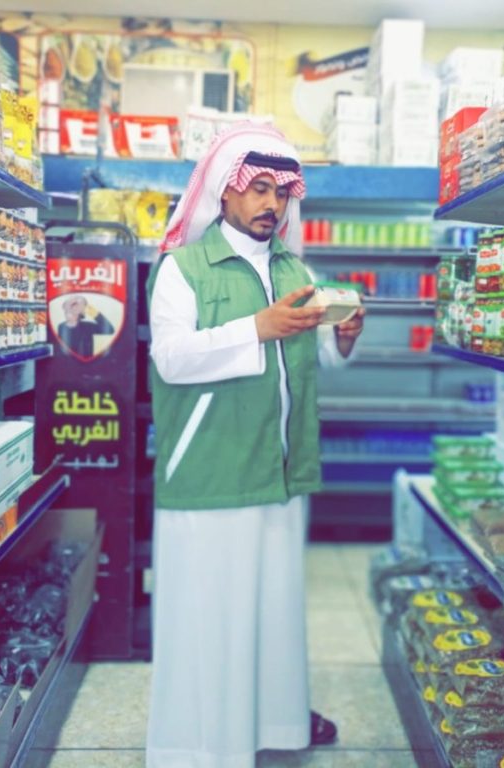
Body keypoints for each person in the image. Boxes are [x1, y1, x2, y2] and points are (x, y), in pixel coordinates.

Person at [145, 123, 365, 768]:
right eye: (258, 188)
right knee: (209, 617)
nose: (271, 203)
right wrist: (257, 327)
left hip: (281, 471)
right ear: (225, 191)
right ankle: (201, 745)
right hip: (211, 469)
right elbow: (171, 360)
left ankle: (276, 722)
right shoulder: (182, 268)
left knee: (273, 613)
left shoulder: (296, 269)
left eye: (282, 191)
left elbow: (311, 360)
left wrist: (344, 338)